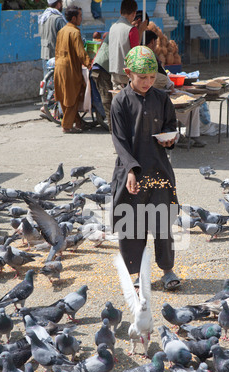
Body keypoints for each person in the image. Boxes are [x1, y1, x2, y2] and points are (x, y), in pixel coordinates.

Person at [110, 45, 181, 291]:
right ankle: (138, 273)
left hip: (159, 170)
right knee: (133, 225)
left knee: (162, 223)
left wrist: (171, 138)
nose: (147, 82)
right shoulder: (120, 102)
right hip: (132, 173)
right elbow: (119, 141)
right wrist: (130, 170)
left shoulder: (162, 99)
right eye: (142, 78)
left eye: (152, 77)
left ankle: (168, 270)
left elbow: (172, 125)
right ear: (128, 73)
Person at [145, 30, 206, 148]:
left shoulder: (154, 57)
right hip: (154, 94)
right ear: (152, 42)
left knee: (193, 103)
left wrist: (170, 86)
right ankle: (178, 137)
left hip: (165, 91)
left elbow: (163, 74)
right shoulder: (144, 57)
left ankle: (192, 135)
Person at [54, 6, 91, 134]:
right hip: (69, 68)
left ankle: (77, 121)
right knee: (72, 97)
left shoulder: (62, 31)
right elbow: (81, 53)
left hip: (59, 66)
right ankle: (67, 125)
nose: (81, 18)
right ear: (74, 18)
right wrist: (89, 63)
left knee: (64, 96)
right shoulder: (75, 32)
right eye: (80, 16)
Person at [108, 0, 142, 90]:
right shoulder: (131, 30)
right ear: (134, 13)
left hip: (114, 72)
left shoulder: (112, 27)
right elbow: (136, 53)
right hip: (127, 74)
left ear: (120, 12)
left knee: (117, 101)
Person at [38, 0, 67, 76]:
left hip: (45, 55)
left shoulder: (43, 18)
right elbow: (67, 37)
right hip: (55, 57)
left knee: (48, 82)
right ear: (58, 4)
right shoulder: (58, 19)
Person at [91, 32, 113, 131]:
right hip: (101, 70)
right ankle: (113, 130)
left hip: (99, 68)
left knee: (107, 100)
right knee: (107, 100)